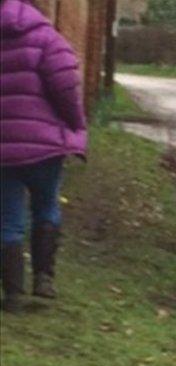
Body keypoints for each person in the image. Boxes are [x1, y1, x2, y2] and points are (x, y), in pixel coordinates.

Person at [1, 0, 87, 312]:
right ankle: (43, 279)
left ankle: (12, 294)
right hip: (44, 145)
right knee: (46, 205)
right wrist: (76, 125)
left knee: (8, 220)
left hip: (3, 151)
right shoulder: (47, 38)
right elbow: (66, 87)